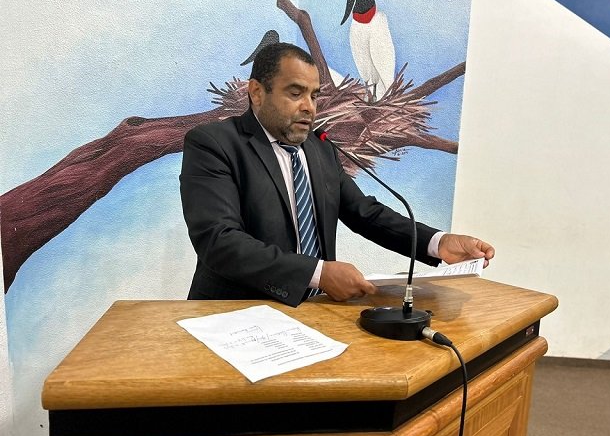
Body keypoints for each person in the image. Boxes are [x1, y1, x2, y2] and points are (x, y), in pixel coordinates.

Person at [180, 42, 494, 307]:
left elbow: (365, 213)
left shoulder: (320, 148)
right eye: (295, 93)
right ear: (257, 92)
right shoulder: (214, 143)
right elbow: (219, 241)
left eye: (314, 95)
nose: (309, 107)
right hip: (233, 314)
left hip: (314, 313)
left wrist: (438, 243)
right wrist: (318, 273)